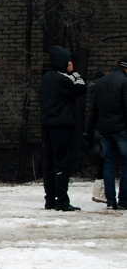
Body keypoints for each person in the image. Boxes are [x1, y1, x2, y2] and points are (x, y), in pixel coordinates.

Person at [40, 46, 87, 211]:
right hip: (62, 126)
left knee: (49, 163)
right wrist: (73, 73)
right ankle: (62, 200)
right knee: (61, 163)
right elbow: (81, 88)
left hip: (48, 125)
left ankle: (50, 199)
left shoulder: (47, 78)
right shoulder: (62, 79)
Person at [85, 54, 127, 210]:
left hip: (104, 130)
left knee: (108, 165)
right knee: (126, 163)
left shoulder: (101, 83)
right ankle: (123, 200)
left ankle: (110, 201)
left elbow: (93, 110)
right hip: (122, 130)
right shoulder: (124, 82)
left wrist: (89, 131)